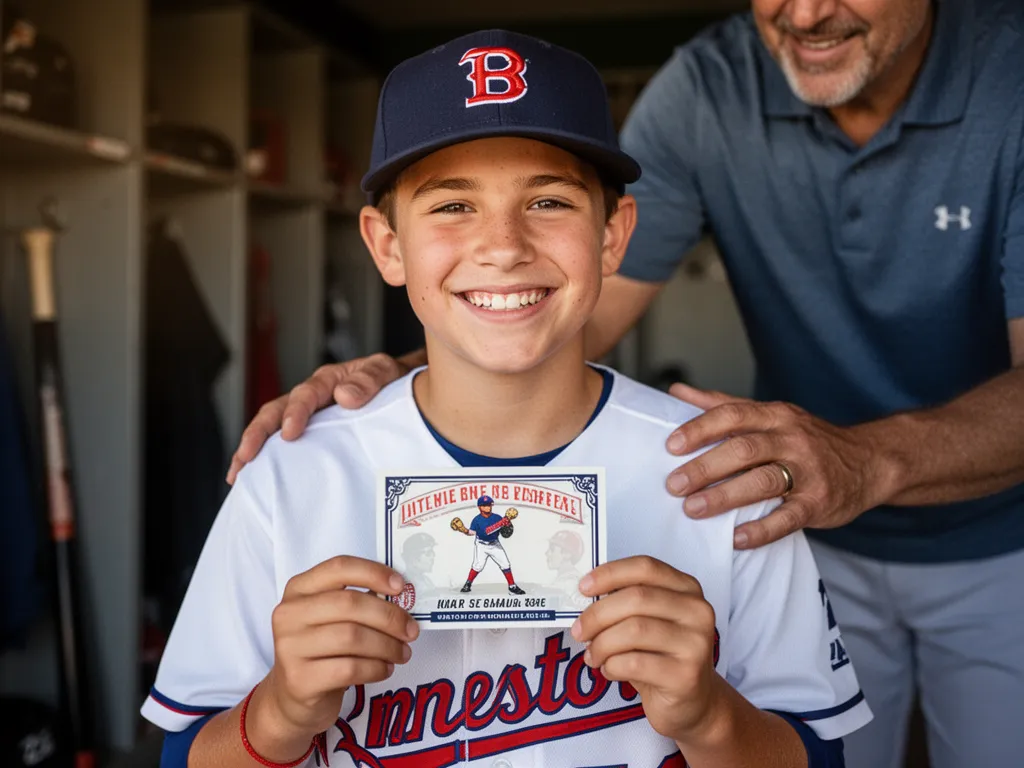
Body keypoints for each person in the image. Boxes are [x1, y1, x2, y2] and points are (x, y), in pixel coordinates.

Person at [230, 2, 1024, 766]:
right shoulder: (712, 83)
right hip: (791, 510)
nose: (808, 12)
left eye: (544, 200)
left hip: (985, 526)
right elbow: (564, 306)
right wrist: (396, 384)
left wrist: (863, 461)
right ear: (385, 242)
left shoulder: (1009, 69)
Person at [456, 496, 525, 594]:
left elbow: (506, 534)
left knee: (505, 564)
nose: (488, 507)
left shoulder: (497, 517)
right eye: (485, 505)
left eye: (489, 504)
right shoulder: (477, 520)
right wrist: (463, 530)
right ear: (480, 507)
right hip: (481, 545)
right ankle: (468, 584)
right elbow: (477, 532)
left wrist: (508, 523)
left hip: (494, 543)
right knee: (478, 566)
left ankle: (512, 586)